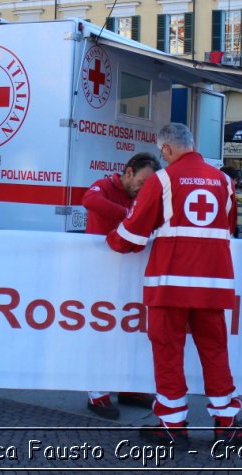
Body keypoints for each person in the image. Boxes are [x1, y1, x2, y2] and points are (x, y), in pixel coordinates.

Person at [107, 124, 242, 447]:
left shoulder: (162, 180)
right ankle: (226, 423)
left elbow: (132, 234)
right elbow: (227, 229)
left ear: (167, 150)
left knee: (168, 353)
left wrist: (111, 239)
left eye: (162, 153)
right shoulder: (225, 182)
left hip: (169, 284)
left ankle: (173, 426)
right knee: (215, 352)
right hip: (213, 285)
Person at [80, 152, 160, 419]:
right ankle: (97, 392)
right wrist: (130, 215)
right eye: (141, 181)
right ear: (127, 172)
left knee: (131, 328)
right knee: (102, 328)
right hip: (101, 271)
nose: (143, 188)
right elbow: (88, 200)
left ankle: (129, 387)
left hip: (130, 271)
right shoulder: (103, 185)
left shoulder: (140, 194)